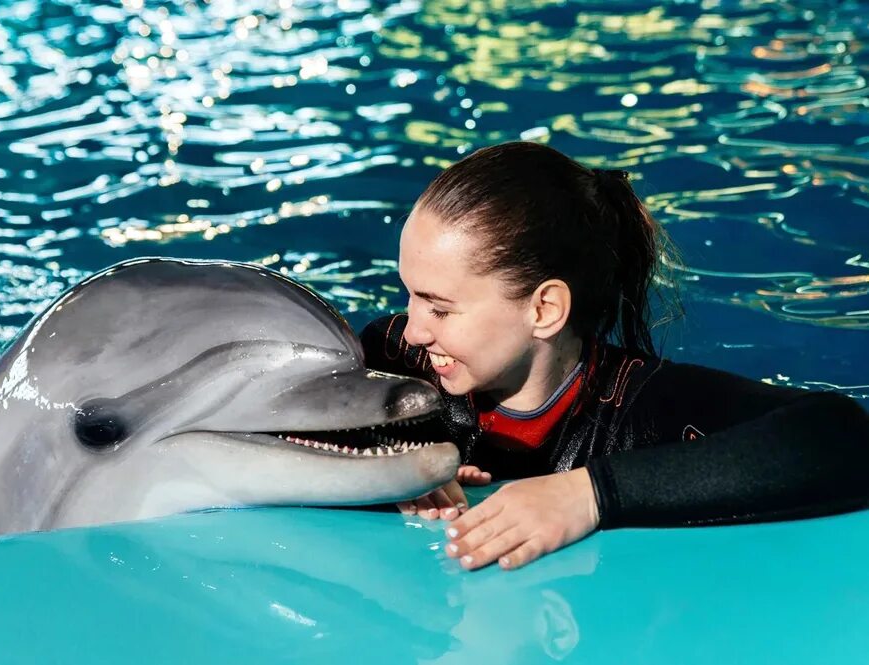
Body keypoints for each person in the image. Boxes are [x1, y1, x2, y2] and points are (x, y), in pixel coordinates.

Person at [359, 141, 869, 572]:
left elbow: (842, 436)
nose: (415, 328)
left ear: (544, 309)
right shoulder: (395, 359)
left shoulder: (643, 410)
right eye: (409, 295)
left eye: (440, 309)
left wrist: (591, 495)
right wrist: (396, 463)